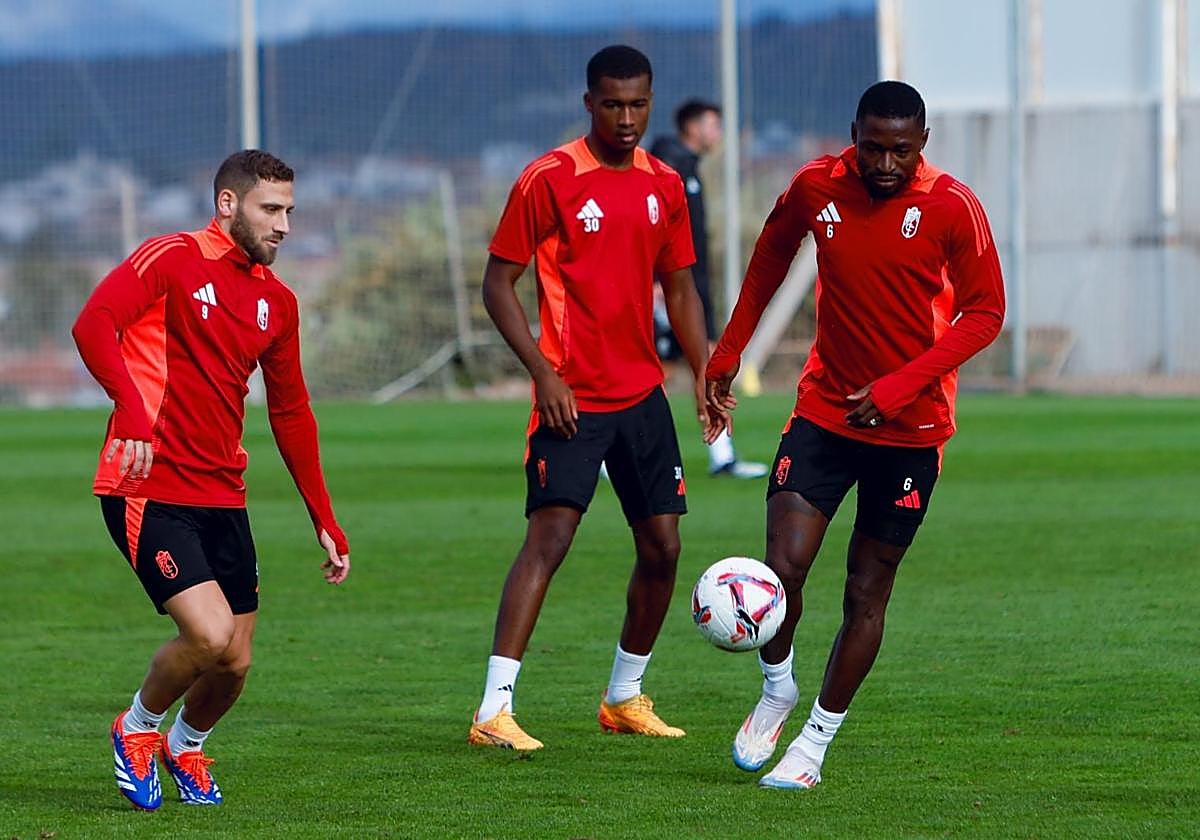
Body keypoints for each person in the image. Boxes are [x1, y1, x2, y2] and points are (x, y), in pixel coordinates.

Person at [706, 81, 1005, 790]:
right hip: (824, 413)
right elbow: (771, 256)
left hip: (912, 430)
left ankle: (812, 746)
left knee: (867, 591)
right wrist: (729, 349)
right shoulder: (817, 185)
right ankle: (777, 687)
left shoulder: (952, 205)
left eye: (901, 150)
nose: (886, 164)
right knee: (782, 569)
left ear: (922, 143)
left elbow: (986, 313)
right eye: (873, 148)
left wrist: (900, 387)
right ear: (854, 135)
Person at [72, 150, 351, 810]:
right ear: (228, 204)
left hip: (224, 494)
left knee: (235, 662)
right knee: (208, 633)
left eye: (289, 211)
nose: (284, 225)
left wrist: (323, 515)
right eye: (270, 209)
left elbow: (291, 410)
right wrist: (130, 410)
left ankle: (186, 745)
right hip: (147, 485)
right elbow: (94, 324)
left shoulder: (277, 301)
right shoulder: (170, 258)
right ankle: (137, 728)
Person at [469, 45, 725, 751]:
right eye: (612, 104)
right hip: (571, 398)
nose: (626, 117)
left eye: (637, 104)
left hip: (642, 395)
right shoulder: (548, 178)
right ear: (590, 104)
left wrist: (704, 374)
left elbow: (680, 288)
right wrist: (542, 373)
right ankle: (493, 710)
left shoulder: (665, 183)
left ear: (651, 101)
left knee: (664, 547)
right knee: (549, 540)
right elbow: (497, 284)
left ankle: (624, 697)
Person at [650, 100, 767, 480]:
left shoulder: (687, 167)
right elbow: (653, 228)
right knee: (698, 364)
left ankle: (721, 455)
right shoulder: (669, 166)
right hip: (673, 288)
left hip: (690, 286)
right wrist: (655, 281)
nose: (718, 133)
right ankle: (721, 456)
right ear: (692, 127)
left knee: (674, 367)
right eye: (713, 124)